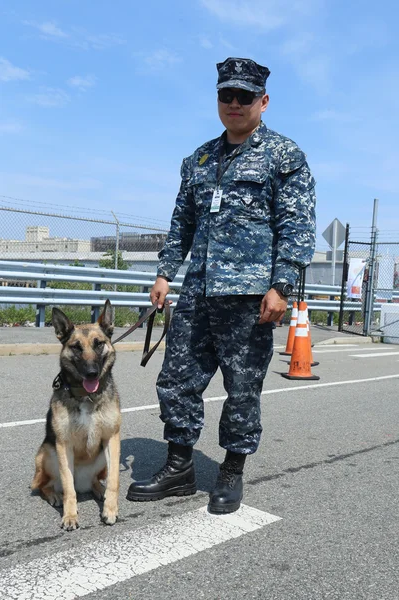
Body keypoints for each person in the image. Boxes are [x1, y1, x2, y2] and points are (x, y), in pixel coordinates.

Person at [127, 57, 316, 514]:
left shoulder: (283, 156)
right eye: (226, 95)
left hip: (251, 299)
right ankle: (179, 467)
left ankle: (231, 471)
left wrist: (282, 284)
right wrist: (165, 272)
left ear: (263, 102)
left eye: (244, 97)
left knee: (242, 387)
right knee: (176, 381)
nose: (234, 104)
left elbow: (297, 226)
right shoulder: (200, 159)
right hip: (197, 293)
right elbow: (182, 223)